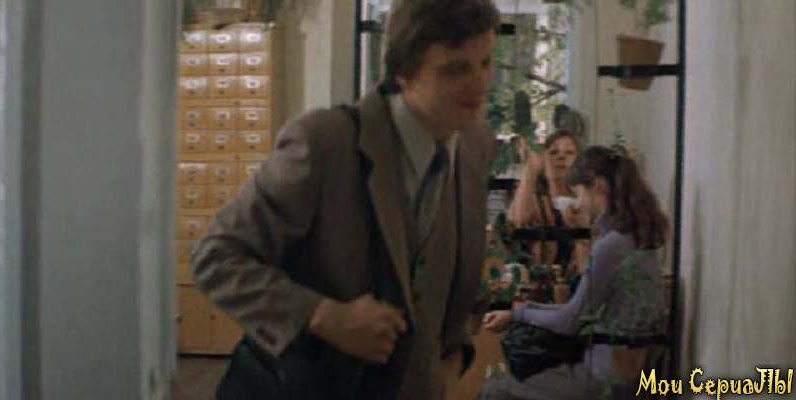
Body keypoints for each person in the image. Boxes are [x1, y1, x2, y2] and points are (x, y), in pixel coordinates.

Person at [188, 1, 500, 399]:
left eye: (486, 63)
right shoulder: (326, 143)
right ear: (404, 73)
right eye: (455, 69)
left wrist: (451, 361)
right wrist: (322, 315)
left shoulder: (475, 145)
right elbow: (216, 257)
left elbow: (449, 294)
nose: (480, 83)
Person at [480, 146, 669, 399]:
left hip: (603, 379)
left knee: (495, 390)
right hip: (628, 374)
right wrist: (519, 312)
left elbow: (570, 320)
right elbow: (578, 310)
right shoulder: (634, 239)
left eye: (580, 193)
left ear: (597, 186)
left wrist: (518, 315)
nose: (580, 202)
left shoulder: (612, 245)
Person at [507, 130, 581, 267]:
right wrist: (531, 168)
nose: (561, 157)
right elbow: (518, 221)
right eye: (554, 152)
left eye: (569, 153)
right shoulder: (532, 194)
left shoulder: (582, 197)